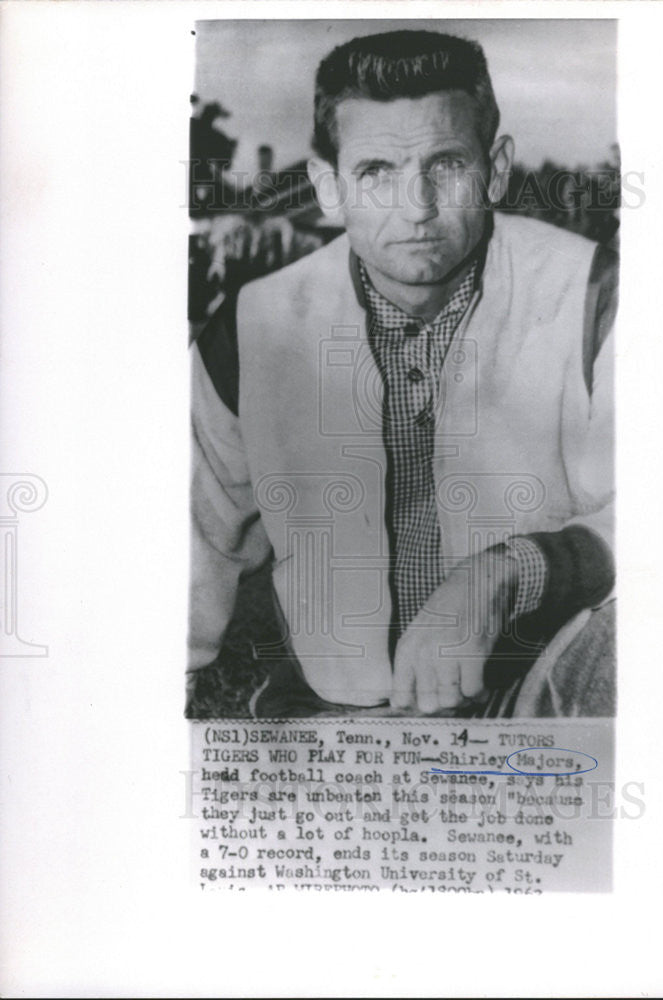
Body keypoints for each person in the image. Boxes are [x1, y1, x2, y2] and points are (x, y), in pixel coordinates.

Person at [189, 29, 617, 718]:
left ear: (495, 169)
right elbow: (186, 553)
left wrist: (508, 570)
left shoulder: (589, 293)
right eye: (377, 172)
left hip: (536, 705)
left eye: (445, 165)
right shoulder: (251, 325)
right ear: (328, 187)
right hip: (335, 725)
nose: (415, 208)